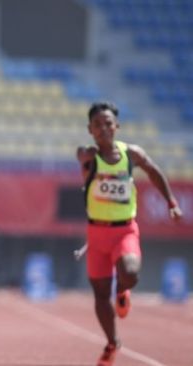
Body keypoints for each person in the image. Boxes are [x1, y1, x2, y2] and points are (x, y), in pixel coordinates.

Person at [76, 102, 182, 366]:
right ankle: (112, 342)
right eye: (97, 125)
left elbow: (154, 172)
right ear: (90, 130)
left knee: (131, 273)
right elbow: (81, 157)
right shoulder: (89, 156)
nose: (103, 128)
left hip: (124, 230)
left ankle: (123, 291)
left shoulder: (131, 155)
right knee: (100, 296)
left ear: (117, 126)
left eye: (108, 123)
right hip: (96, 234)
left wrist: (171, 201)